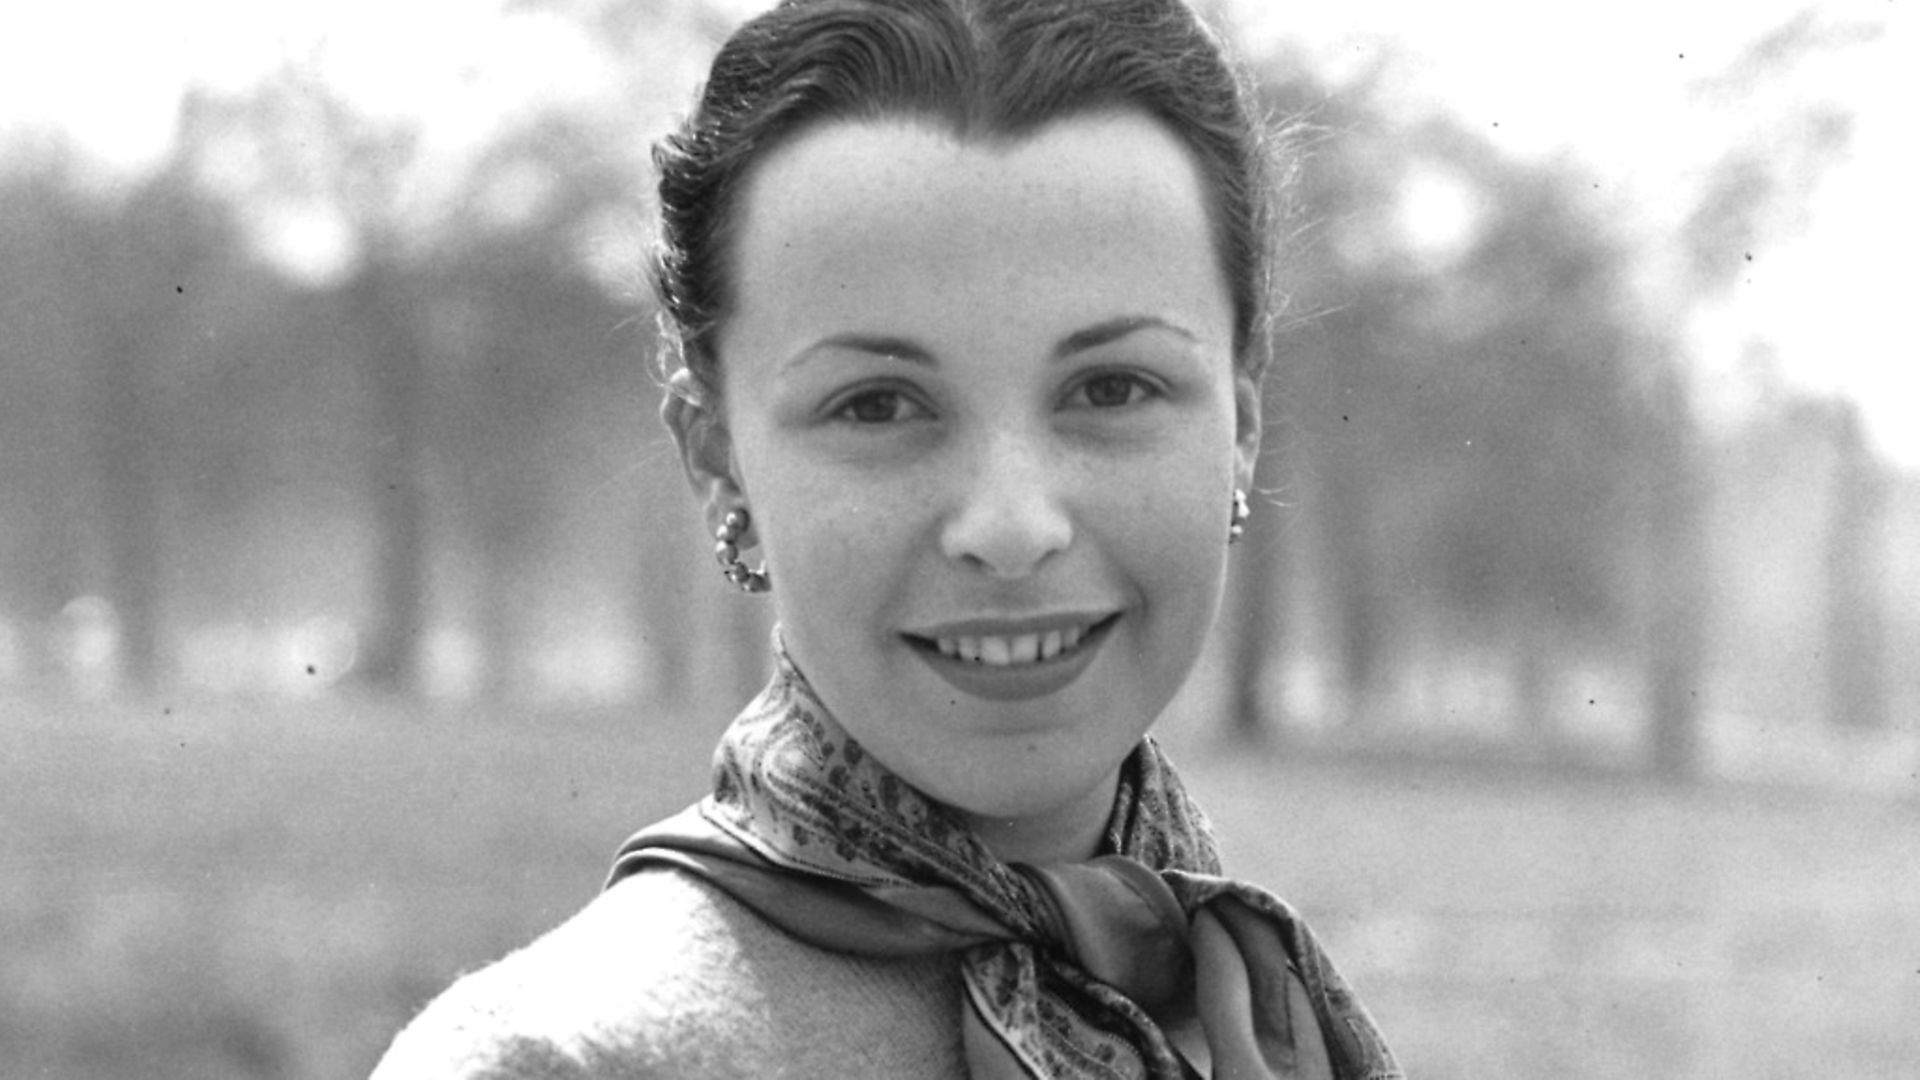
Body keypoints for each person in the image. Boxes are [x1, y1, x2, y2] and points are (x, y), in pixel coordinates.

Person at [371, 0, 1400, 1076]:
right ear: (718, 456)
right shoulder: (562, 1061)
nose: (1010, 529)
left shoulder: (1248, 1014)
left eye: (1112, 387)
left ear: (1242, 430)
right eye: (878, 405)